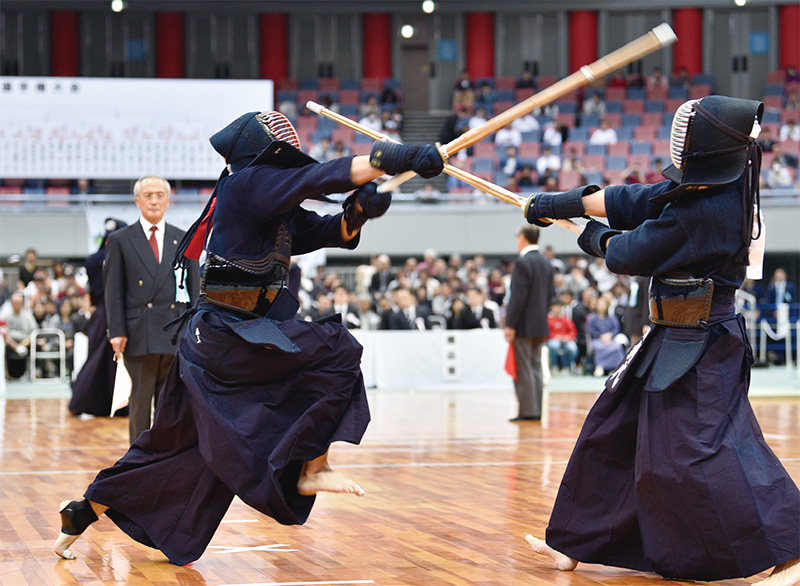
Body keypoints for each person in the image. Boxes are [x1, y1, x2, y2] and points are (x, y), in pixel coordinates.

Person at [53, 110, 444, 564]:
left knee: (171, 444)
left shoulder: (273, 205)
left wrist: (358, 211)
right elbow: (317, 178)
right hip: (222, 335)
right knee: (338, 348)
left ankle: (79, 514)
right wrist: (392, 157)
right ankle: (312, 469)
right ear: (261, 155)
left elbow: (328, 229)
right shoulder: (246, 185)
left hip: (217, 342)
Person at [522, 95, 800, 586]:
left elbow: (631, 251)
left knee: (704, 452)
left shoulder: (707, 210)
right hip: (670, 337)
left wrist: (592, 236)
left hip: (703, 343)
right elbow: (638, 199)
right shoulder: (713, 185)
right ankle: (575, 542)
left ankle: (792, 551)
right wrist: (565, 201)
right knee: (609, 431)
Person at [103, 176, 201, 444]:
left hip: (174, 332)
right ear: (137, 201)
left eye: (160, 195)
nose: (154, 200)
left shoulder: (183, 239)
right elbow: (113, 290)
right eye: (148, 195)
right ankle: (138, 459)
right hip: (138, 334)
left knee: (170, 404)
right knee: (140, 404)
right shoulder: (121, 240)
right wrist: (117, 332)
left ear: (168, 201)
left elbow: (194, 289)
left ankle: (164, 460)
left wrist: (193, 332)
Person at [69, 219, 128, 417]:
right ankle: (90, 400)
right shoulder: (123, 257)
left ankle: (95, 402)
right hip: (118, 312)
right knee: (114, 360)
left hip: (99, 314)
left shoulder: (93, 259)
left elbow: (92, 294)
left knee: (98, 358)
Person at [504, 225, 554, 422]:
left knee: (524, 368)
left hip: (524, 324)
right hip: (540, 323)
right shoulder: (546, 262)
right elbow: (550, 297)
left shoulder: (523, 263)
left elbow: (517, 298)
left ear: (523, 238)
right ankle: (536, 409)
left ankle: (528, 411)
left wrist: (510, 324)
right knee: (535, 367)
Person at [585, 294, 626, 376]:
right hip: (597, 339)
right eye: (599, 305)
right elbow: (590, 330)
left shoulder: (611, 317)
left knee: (617, 347)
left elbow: (616, 329)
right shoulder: (591, 318)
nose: (601, 307)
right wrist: (601, 336)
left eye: (603, 305)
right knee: (599, 347)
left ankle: (616, 368)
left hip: (610, 339)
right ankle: (600, 367)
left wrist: (610, 335)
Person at [1, 291, 37, 379]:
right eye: (15, 303)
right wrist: (14, 345)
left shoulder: (28, 316)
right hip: (10, 342)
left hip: (25, 341)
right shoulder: (5, 316)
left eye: (19, 303)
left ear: (22, 303)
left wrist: (23, 344)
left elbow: (34, 332)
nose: (17, 305)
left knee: (37, 345)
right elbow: (2, 332)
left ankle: (33, 373)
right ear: (11, 303)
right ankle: (6, 374)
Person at [546, 301, 578, 373]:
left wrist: (568, 337)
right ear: (551, 308)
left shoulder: (566, 319)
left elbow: (573, 331)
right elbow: (546, 333)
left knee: (572, 348)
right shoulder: (548, 319)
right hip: (553, 340)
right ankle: (554, 366)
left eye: (559, 307)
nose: (557, 309)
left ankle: (566, 367)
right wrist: (555, 336)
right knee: (554, 345)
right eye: (555, 307)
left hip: (565, 341)